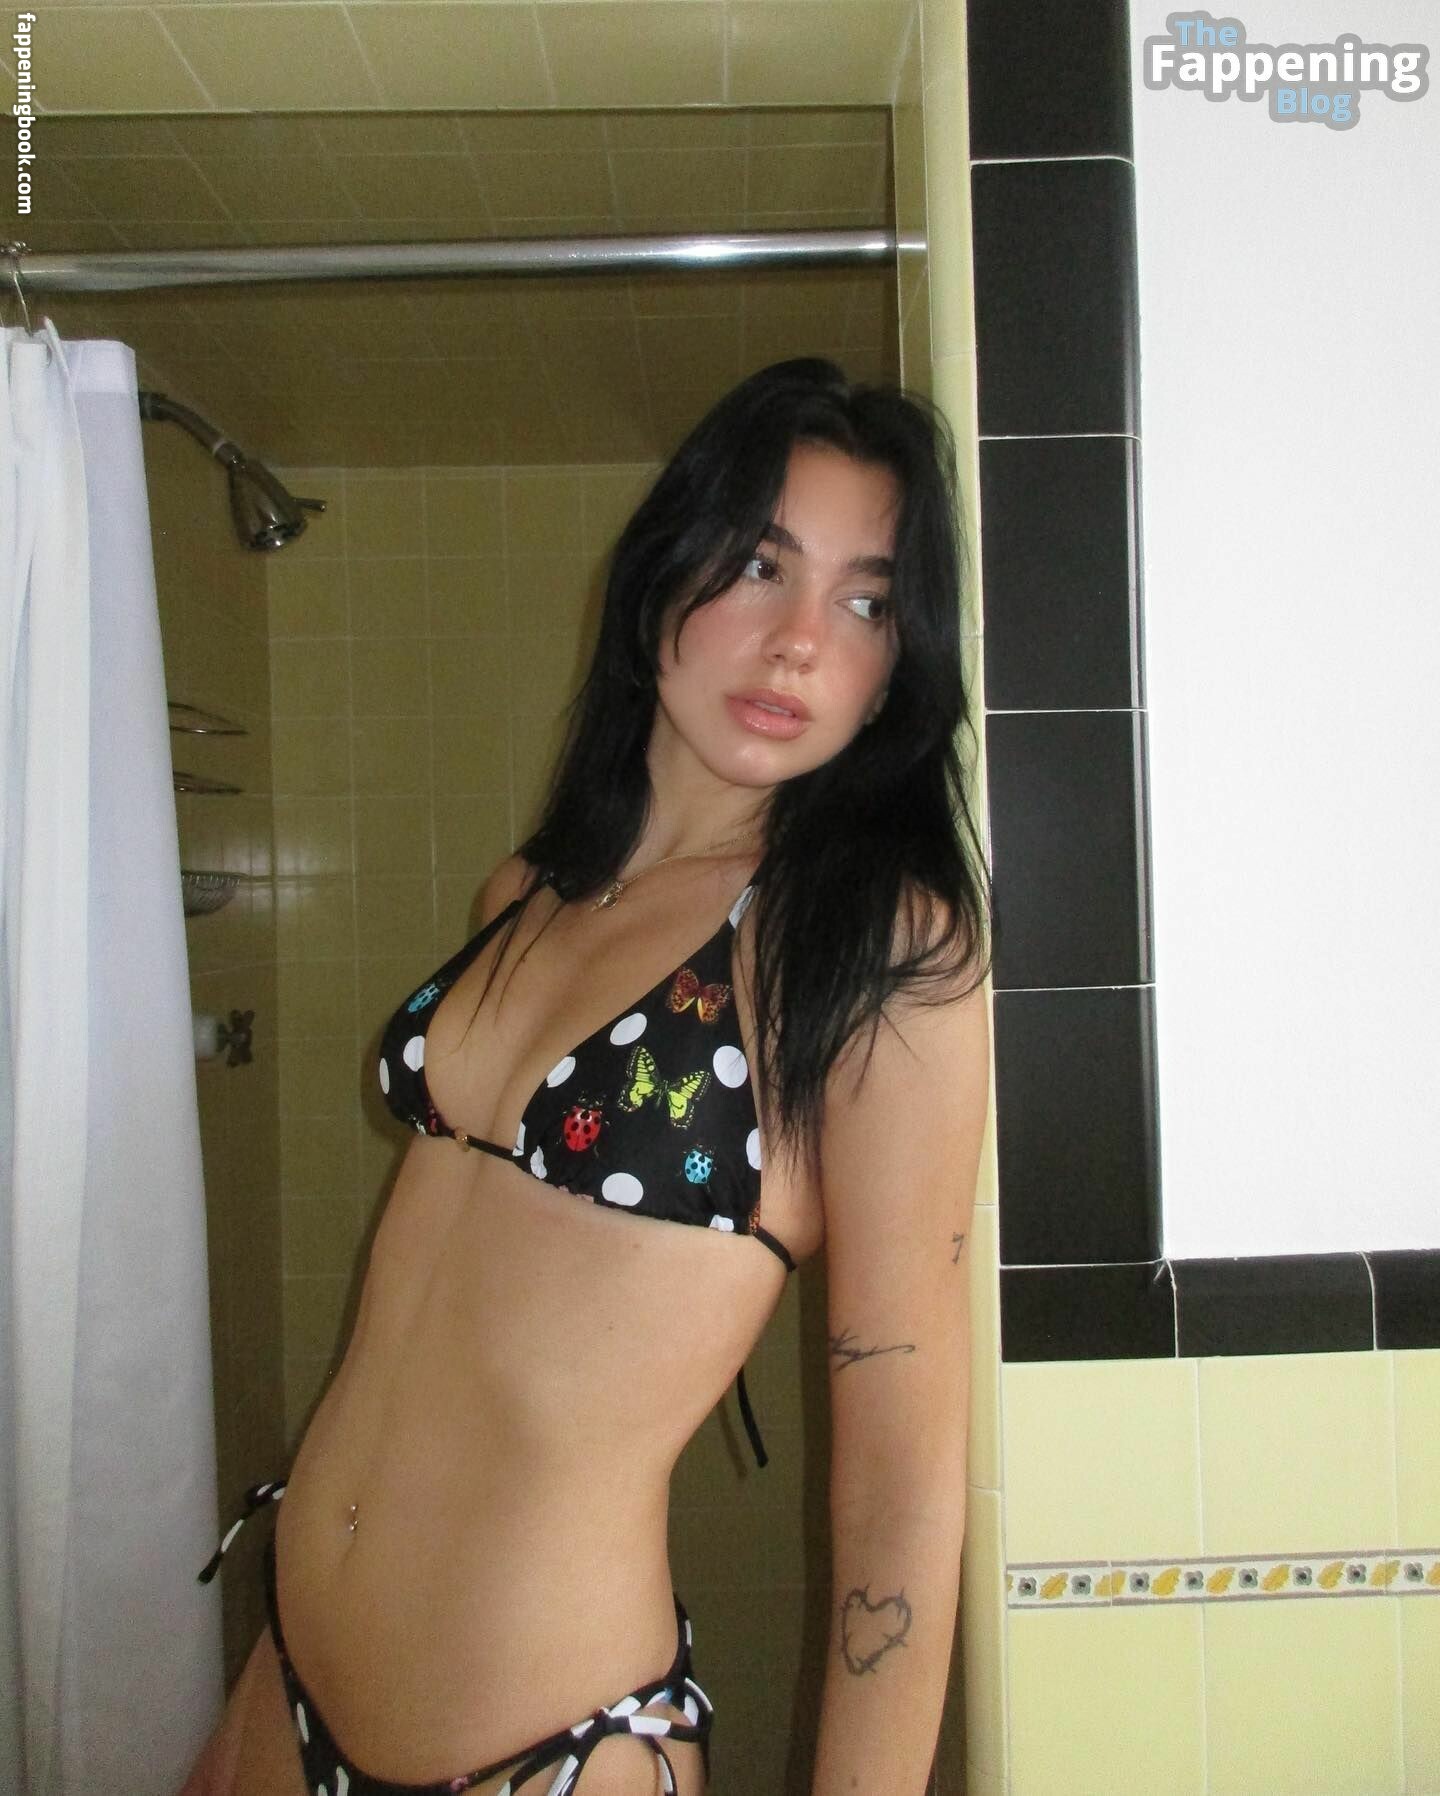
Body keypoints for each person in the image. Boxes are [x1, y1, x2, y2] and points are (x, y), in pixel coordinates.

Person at [181, 356, 993, 1796]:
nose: (800, 643)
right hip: (286, 1680)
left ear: (896, 672)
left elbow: (904, 1483)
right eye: (762, 565)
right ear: (662, 572)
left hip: (540, 1747)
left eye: (867, 603)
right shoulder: (527, 894)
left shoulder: (872, 949)